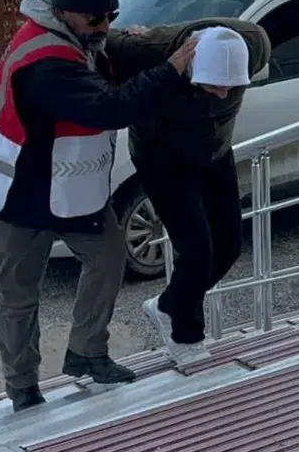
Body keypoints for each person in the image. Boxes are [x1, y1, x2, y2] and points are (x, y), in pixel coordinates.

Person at [0, 0, 198, 412]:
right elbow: (109, 107)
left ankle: (87, 352)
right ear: (65, 12)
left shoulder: (71, 34)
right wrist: (172, 68)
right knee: (18, 298)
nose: (106, 26)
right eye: (97, 20)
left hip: (61, 189)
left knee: (108, 254)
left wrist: (123, 44)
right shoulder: (46, 64)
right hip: (11, 197)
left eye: (111, 15)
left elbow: (102, 66)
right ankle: (23, 389)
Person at [104, 21, 270, 367]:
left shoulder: (256, 42)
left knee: (229, 246)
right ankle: (185, 336)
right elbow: (99, 38)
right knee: (197, 250)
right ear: (190, 66)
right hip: (161, 157)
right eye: (215, 87)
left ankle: (167, 304)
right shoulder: (148, 50)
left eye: (232, 88)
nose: (224, 94)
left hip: (215, 150)